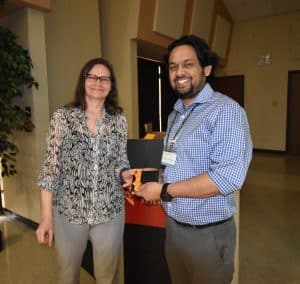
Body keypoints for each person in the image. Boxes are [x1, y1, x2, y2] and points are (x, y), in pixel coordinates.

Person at [134, 35, 253, 284]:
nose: (179, 72)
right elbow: (177, 164)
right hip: (175, 229)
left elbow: (227, 178)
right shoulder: (176, 114)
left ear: (206, 69)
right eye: (173, 66)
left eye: (188, 64)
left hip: (207, 235)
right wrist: (153, 175)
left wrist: (164, 189)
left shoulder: (225, 111)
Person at [35, 58, 133, 284]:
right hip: (69, 212)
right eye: (92, 77)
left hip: (109, 210)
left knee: (107, 277)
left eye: (104, 78)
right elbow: (50, 169)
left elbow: (120, 161)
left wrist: (124, 174)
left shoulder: (118, 120)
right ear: (83, 81)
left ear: (111, 85)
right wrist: (46, 218)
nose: (98, 82)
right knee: (67, 275)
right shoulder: (63, 117)